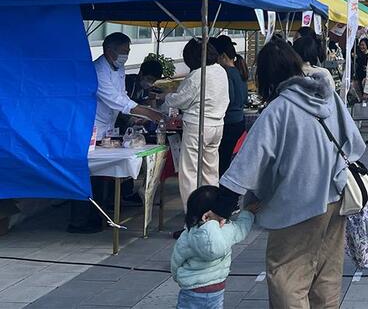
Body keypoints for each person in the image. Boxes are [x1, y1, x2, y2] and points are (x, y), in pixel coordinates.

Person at [218, 38, 364, 308]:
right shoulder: (328, 96)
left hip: (298, 205)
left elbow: (247, 164)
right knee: (326, 272)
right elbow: (355, 143)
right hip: (337, 197)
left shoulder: (279, 109)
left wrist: (221, 208)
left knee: (287, 274)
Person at [68, 33, 163, 234]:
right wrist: (147, 112)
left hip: (108, 125)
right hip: (92, 125)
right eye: (124, 52)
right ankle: (79, 221)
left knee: (100, 177)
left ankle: (98, 216)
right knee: (88, 174)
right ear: (109, 51)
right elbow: (114, 99)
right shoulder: (98, 70)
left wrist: (141, 112)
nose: (126, 56)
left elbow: (122, 95)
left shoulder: (118, 69)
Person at [165, 39, 230, 208]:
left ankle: (193, 216)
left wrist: (166, 96)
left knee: (189, 174)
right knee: (210, 172)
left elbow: (181, 100)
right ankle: (211, 211)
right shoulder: (220, 71)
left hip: (198, 126)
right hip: (217, 125)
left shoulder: (198, 74)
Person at [172, 185, 256, 309]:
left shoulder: (188, 235)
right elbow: (242, 227)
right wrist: (248, 212)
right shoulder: (228, 231)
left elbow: (176, 261)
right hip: (216, 288)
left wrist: (177, 276)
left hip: (192, 289)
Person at [209, 36, 248, 177]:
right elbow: (244, 98)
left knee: (222, 162)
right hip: (239, 121)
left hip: (229, 122)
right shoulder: (239, 71)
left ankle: (220, 189)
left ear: (223, 56)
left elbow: (228, 99)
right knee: (228, 160)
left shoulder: (226, 73)